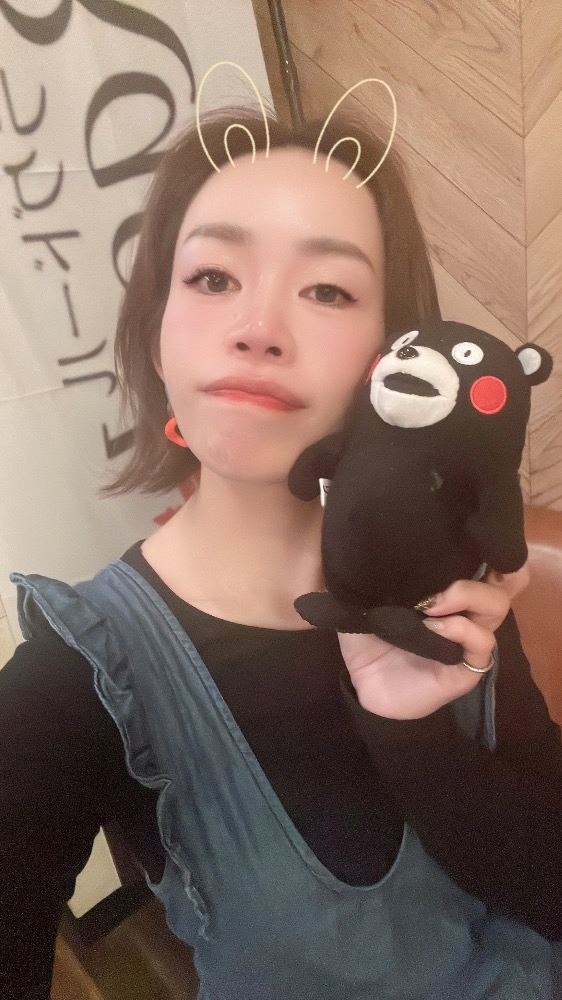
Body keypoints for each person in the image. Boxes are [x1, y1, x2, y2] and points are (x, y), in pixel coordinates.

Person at [1, 104, 562, 1000]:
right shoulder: (73, 680)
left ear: (393, 353)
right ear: (158, 332)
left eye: (328, 290)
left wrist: (416, 741)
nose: (258, 326)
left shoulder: (459, 581)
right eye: (213, 276)